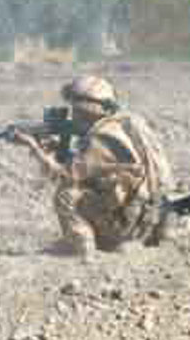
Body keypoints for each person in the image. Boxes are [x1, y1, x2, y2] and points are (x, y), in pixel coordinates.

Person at [12, 75, 173, 258]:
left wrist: (33, 147)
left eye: (76, 109)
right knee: (91, 186)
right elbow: (96, 165)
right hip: (150, 218)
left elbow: (63, 175)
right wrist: (56, 148)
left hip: (127, 223)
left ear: (86, 109)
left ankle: (82, 247)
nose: (73, 114)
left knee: (66, 195)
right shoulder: (126, 124)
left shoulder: (102, 137)